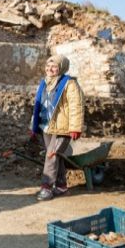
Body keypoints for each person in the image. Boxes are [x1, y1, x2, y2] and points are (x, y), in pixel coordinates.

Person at [29, 55, 84, 201]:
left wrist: (75, 128)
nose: (50, 69)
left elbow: (76, 107)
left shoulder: (69, 84)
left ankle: (46, 187)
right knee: (55, 156)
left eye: (53, 66)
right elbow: (38, 104)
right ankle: (61, 186)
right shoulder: (44, 83)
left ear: (61, 68)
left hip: (63, 128)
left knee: (51, 155)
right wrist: (33, 125)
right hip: (46, 126)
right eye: (48, 66)